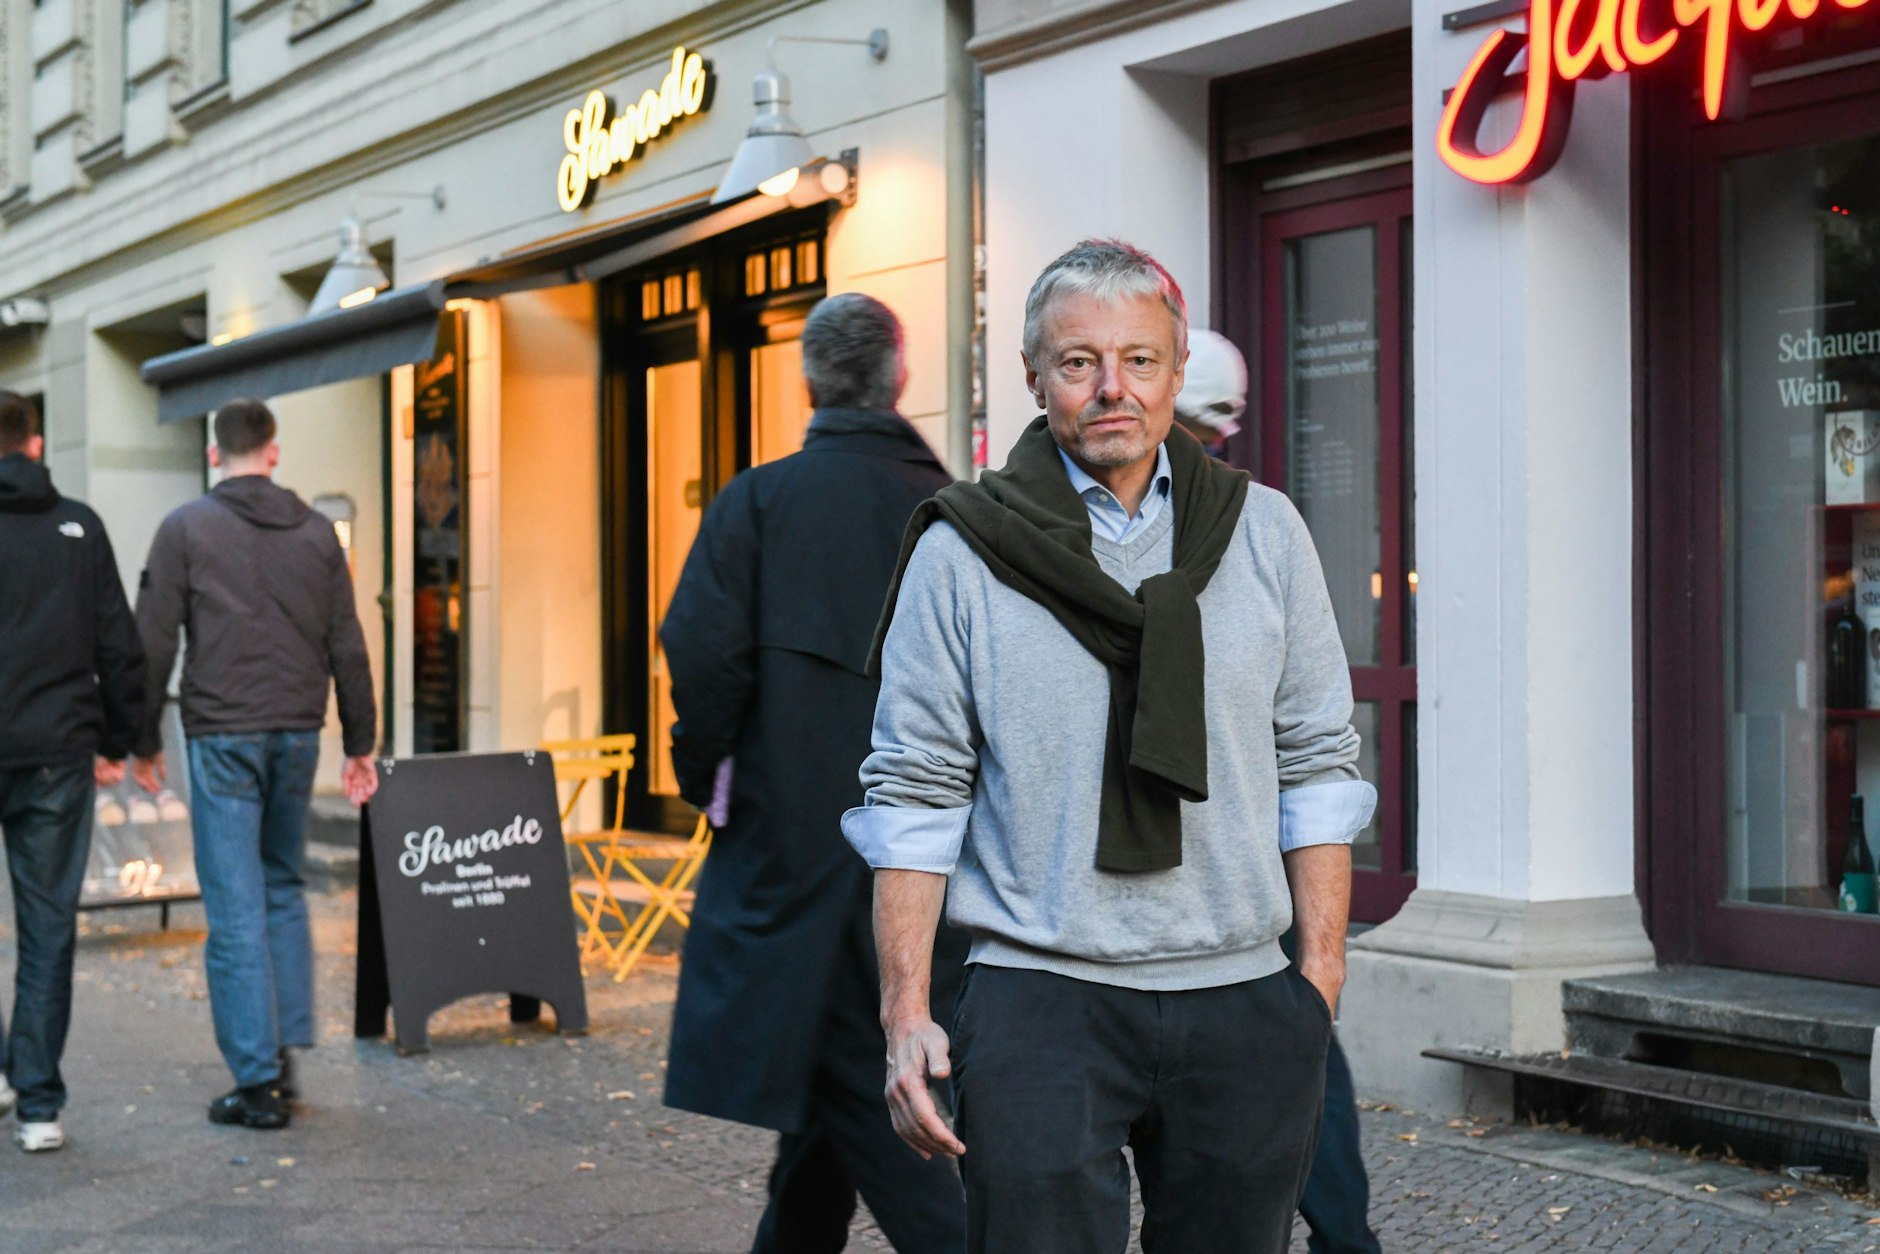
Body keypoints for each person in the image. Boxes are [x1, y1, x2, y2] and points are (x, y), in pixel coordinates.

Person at [843, 239, 1377, 1254]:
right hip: (1039, 999)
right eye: (1078, 361)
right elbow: (914, 793)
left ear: (1178, 374)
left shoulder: (1264, 534)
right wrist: (904, 1011)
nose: (1110, 388)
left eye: (1138, 360)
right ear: (1035, 379)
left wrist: (1316, 976)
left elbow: (1315, 756)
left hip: (1240, 998)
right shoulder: (960, 552)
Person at [660, 293, 968, 1253]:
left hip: (800, 860)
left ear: (809, 381)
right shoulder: (956, 514)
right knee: (831, 1102)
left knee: (868, 1096)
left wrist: (702, 776)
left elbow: (701, 658)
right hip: (935, 866)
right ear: (900, 376)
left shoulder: (760, 502)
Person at [1177, 328, 1383, 1254]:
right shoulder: (1251, 523)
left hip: (1240, 889)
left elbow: (1308, 738)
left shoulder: (1256, 529)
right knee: (1300, 1078)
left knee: (1292, 1076)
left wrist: (1324, 958)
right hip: (1251, 885)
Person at [131, 398, 378, 1131]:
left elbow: (154, 642)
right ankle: (285, 1052)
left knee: (236, 905)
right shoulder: (316, 534)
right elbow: (349, 644)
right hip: (298, 736)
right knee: (281, 888)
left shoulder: (185, 528)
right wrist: (360, 744)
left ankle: (257, 1081)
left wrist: (140, 737)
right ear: (273, 452)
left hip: (223, 735)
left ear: (215, 455)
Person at [0, 392, 146, 1153]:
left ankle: (6, 1071)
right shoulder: (79, 526)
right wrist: (126, 738)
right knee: (48, 924)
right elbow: (117, 642)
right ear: (38, 444)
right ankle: (39, 1106)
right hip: (58, 752)